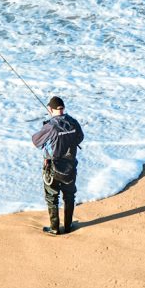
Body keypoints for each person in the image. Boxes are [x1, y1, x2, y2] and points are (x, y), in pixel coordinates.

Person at [31, 96, 84, 235]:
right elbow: (80, 137)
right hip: (70, 166)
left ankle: (54, 228)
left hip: (52, 167)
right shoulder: (73, 122)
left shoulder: (50, 126)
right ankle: (68, 226)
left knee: (51, 196)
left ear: (50, 109)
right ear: (63, 108)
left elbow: (35, 141)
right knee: (69, 196)